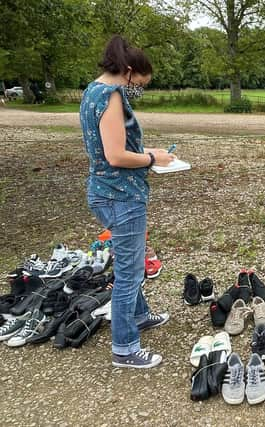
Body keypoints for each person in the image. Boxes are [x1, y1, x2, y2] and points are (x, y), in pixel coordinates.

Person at [79, 35, 174, 368]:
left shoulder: (91, 91)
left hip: (104, 191)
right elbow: (116, 155)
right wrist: (152, 159)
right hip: (122, 196)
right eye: (141, 85)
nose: (140, 91)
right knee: (130, 273)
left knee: (127, 260)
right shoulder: (113, 97)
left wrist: (151, 154)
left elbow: (109, 150)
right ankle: (125, 347)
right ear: (129, 72)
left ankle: (140, 314)